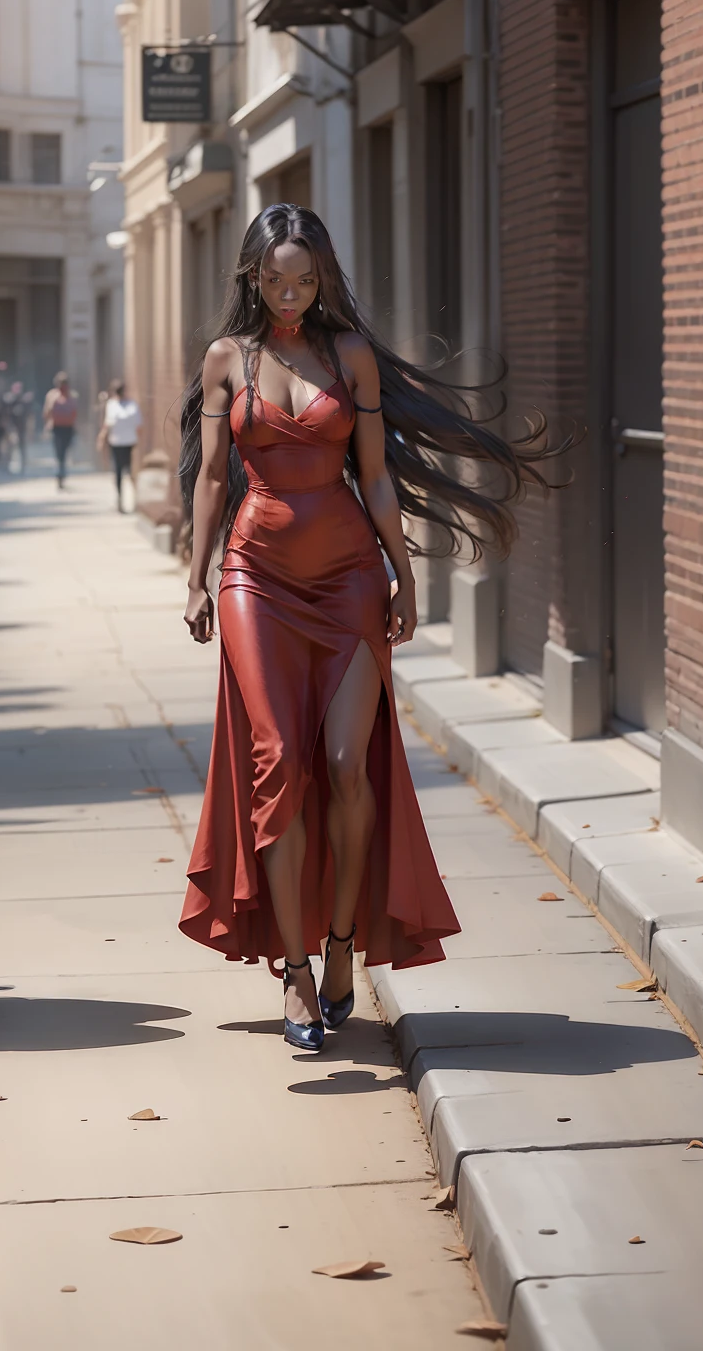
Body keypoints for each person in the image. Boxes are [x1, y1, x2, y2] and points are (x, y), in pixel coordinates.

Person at [176, 205, 554, 1052]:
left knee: (349, 766)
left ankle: (343, 940)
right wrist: (195, 577)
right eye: (275, 279)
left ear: (323, 281)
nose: (290, 295)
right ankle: (299, 975)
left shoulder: (349, 358)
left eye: (305, 281)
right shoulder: (226, 361)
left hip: (347, 576)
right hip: (253, 575)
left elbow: (375, 479)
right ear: (250, 277)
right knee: (277, 760)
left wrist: (403, 571)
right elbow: (209, 479)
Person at [99, 382, 142, 512]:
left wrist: (101, 439)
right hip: (118, 443)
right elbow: (108, 424)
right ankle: (121, 501)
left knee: (127, 472)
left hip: (126, 443)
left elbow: (138, 426)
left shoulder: (129, 405)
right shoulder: (114, 405)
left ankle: (133, 500)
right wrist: (102, 438)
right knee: (120, 471)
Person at [43, 371, 81, 487]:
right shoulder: (54, 395)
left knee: (62, 453)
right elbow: (47, 412)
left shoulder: (70, 396)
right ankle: (60, 473)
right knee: (60, 453)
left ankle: (61, 472)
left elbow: (75, 413)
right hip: (58, 428)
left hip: (65, 428)